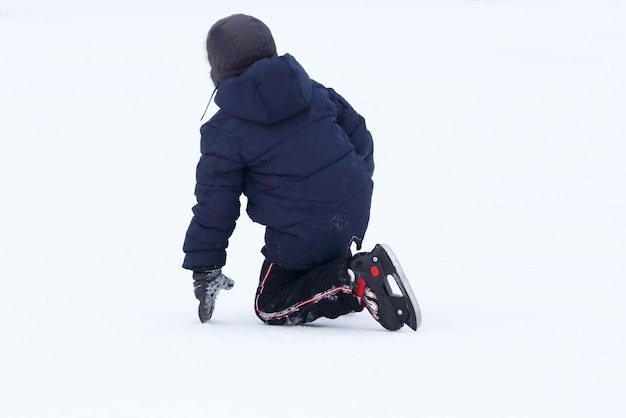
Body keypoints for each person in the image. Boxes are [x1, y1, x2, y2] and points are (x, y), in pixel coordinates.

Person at [182, 14, 421, 331]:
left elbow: (215, 207)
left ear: (219, 67)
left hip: (305, 231)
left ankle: (353, 282)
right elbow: (360, 136)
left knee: (270, 304)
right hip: (353, 208)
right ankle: (340, 274)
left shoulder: (223, 132)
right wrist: (353, 184)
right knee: (310, 255)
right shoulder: (313, 91)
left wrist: (205, 266)